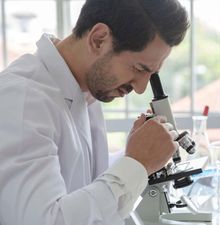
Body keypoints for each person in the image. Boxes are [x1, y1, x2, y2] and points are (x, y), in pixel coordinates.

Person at [0, 0, 189, 224]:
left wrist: (139, 152)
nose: (140, 89)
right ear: (99, 39)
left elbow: (79, 183)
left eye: (150, 74)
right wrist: (137, 164)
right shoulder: (23, 99)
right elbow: (45, 220)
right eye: (139, 68)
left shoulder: (85, 91)